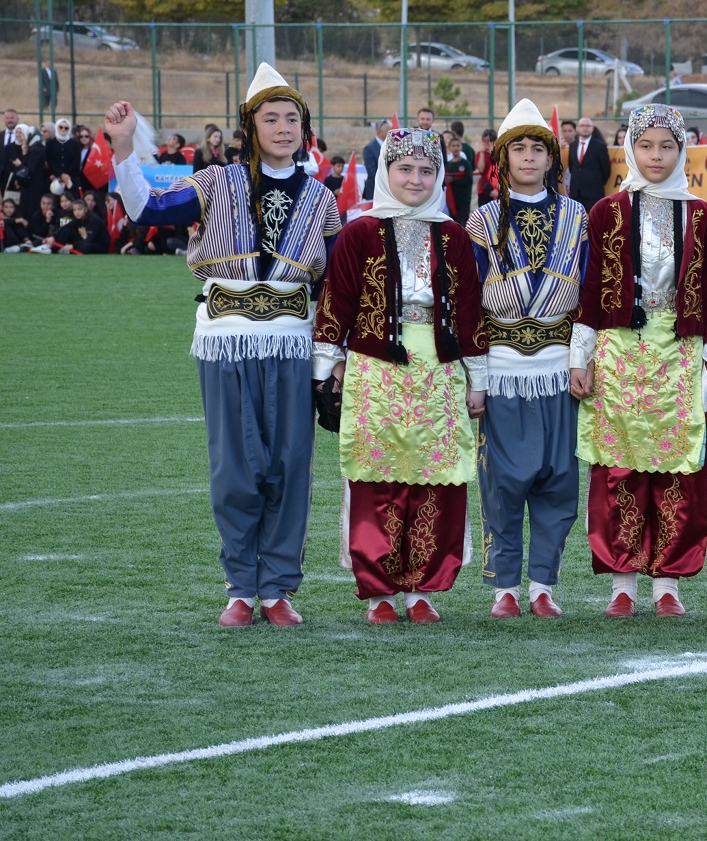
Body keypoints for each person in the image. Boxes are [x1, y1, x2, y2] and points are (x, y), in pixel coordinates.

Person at [103, 64, 342, 628]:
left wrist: (335, 356)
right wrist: (121, 148)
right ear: (248, 126)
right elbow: (146, 210)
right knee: (236, 469)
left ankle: (279, 589)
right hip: (225, 341)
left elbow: (336, 284)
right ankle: (240, 585)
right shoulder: (215, 182)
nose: (282, 127)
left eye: (292, 118)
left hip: (291, 344)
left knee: (289, 465)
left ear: (304, 128)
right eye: (270, 118)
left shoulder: (323, 199)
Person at [312, 128, 486, 625]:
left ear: (438, 177)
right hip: (375, 370)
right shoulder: (360, 231)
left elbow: (470, 311)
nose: (415, 179)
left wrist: (479, 378)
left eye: (426, 171)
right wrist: (327, 370)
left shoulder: (453, 235)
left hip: (438, 370)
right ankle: (380, 592)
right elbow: (336, 301)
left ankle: (423, 589)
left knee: (435, 477)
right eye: (405, 169)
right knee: (376, 478)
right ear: (385, 172)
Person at [572, 104, 707, 617]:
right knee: (620, 468)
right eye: (645, 146)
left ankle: (669, 584)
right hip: (619, 351)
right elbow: (590, 289)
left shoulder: (702, 214)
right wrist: (581, 357)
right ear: (629, 149)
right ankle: (622, 579)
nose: (656, 156)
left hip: (681, 352)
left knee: (680, 469)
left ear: (682, 151)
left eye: (666, 146)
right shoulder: (606, 212)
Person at [467, 100, 589, 619]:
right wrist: (477, 375)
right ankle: (504, 588)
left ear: (552, 158)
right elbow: (469, 301)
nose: (529, 156)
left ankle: (543, 584)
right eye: (518, 147)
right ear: (502, 158)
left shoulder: (577, 216)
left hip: (558, 367)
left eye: (538, 147)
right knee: (501, 480)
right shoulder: (481, 221)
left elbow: (588, 296)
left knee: (558, 478)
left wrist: (581, 358)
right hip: (502, 368)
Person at [568, 115, 612, 213]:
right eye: (582, 125)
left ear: (592, 128)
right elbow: (572, 167)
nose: (585, 128)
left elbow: (606, 170)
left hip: (593, 194)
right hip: (576, 193)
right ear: (577, 128)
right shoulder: (573, 146)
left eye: (588, 126)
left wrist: (595, 183)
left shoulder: (600, 146)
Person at [444, 134, 473, 220]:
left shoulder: (465, 163)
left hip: (463, 200)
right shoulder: (448, 164)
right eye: (453, 146)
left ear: (461, 147)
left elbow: (469, 180)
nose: (456, 148)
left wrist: (454, 180)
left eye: (458, 145)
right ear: (449, 148)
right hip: (452, 200)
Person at [362, 120, 390, 201]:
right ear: (380, 132)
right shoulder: (369, 148)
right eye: (388, 130)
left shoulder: (392, 146)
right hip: (375, 190)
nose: (391, 132)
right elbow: (372, 171)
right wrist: (386, 185)